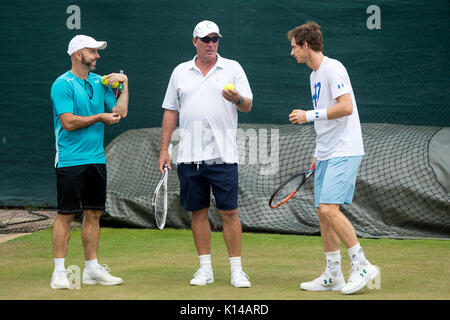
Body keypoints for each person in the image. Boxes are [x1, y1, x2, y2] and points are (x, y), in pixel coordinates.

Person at [158, 20, 253, 288]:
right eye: (206, 39)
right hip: (189, 156)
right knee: (197, 213)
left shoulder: (232, 68)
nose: (211, 44)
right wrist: (164, 149)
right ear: (195, 42)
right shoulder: (180, 72)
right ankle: (205, 269)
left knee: (230, 212)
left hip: (224, 156)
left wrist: (236, 98)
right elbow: (170, 111)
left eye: (215, 39)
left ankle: (237, 270)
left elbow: (247, 104)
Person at [287, 22, 378, 294]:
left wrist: (308, 115)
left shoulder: (333, 68)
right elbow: (327, 121)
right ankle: (333, 274)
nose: (292, 53)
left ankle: (362, 265)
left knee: (329, 209)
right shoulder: (313, 76)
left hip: (345, 149)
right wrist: (317, 153)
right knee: (322, 214)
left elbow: (345, 107)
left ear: (305, 45)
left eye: (294, 47)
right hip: (326, 152)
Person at [49, 35, 129, 289]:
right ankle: (59, 273)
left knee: (93, 213)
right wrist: (99, 118)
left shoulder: (99, 81)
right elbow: (68, 122)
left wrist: (124, 85)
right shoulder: (62, 84)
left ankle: (91, 269)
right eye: (92, 51)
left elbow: (120, 112)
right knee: (66, 214)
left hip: (96, 159)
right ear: (77, 54)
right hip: (70, 159)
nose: (97, 56)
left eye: (97, 51)